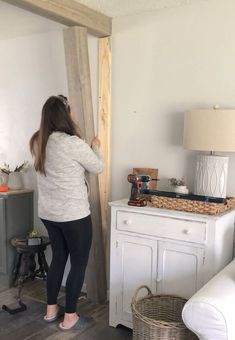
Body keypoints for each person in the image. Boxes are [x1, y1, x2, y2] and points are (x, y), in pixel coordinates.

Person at [30, 95, 103, 331]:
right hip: (73, 215)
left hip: (49, 214)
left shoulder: (38, 141)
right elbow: (97, 167)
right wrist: (96, 148)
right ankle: (70, 316)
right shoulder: (72, 143)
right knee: (78, 264)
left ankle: (51, 309)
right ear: (65, 116)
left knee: (59, 259)